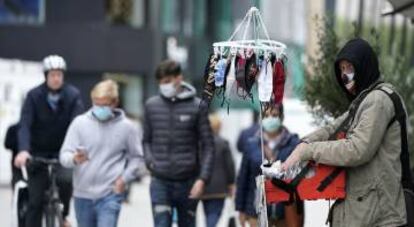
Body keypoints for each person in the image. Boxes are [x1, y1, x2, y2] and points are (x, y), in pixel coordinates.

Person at [282, 38, 408, 226]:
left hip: (379, 216)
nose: (344, 75)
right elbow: (333, 129)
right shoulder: (364, 100)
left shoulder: (378, 101)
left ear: (364, 65)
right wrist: (303, 145)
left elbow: (357, 149)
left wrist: (308, 151)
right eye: (341, 69)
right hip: (365, 212)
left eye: (349, 67)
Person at [59, 79, 144, 227]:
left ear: (115, 102)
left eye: (104, 105)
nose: (99, 108)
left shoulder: (127, 128)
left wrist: (124, 179)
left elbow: (136, 158)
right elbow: (64, 155)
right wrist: (74, 158)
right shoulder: (79, 123)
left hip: (110, 196)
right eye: (96, 103)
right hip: (82, 196)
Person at [13, 55, 84, 227]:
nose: (56, 78)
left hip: (63, 152)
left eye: (59, 74)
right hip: (37, 154)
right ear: (46, 76)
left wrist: (77, 149)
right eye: (52, 74)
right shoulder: (33, 96)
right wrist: (24, 150)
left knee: (66, 182)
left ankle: (64, 215)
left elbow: (79, 124)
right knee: (35, 201)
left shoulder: (73, 95)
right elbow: (25, 125)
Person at [143, 60, 214, 227]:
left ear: (178, 78)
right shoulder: (151, 106)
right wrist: (149, 161)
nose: (164, 86)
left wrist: (202, 179)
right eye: (161, 83)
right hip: (160, 181)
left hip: (188, 182)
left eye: (167, 81)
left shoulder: (198, 106)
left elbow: (208, 145)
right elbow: (146, 140)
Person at [236, 104, 303, 227]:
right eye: (266, 116)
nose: (270, 118)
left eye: (274, 115)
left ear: (281, 117)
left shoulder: (293, 143)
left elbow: (299, 180)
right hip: (256, 211)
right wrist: (240, 209)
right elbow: (243, 179)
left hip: (285, 212)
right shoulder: (252, 144)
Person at [200, 113, 235, 227]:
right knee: (215, 213)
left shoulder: (200, 143)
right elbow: (229, 166)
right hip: (220, 187)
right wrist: (231, 183)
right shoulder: (223, 143)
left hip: (203, 185)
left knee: (207, 213)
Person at [4, 123, 21, 188]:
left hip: (34, 160)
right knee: (17, 182)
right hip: (16, 160)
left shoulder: (34, 128)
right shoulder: (13, 128)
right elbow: (7, 144)